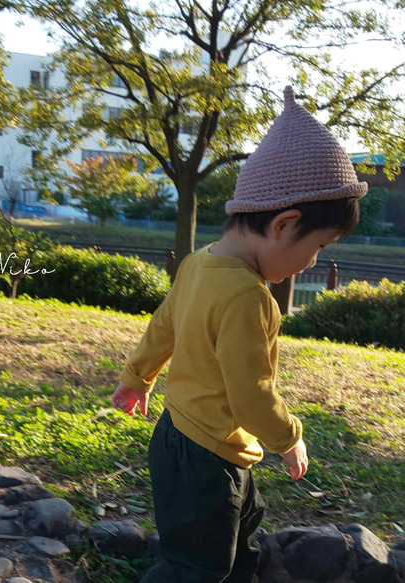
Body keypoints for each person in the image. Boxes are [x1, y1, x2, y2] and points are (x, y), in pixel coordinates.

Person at [111, 86, 368, 583]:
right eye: (318, 246)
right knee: (196, 566)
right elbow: (251, 396)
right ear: (284, 224)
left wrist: (136, 378)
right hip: (209, 457)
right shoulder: (247, 297)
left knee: (240, 530)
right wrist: (290, 438)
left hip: (180, 436)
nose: (313, 261)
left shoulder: (199, 262)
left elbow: (162, 325)